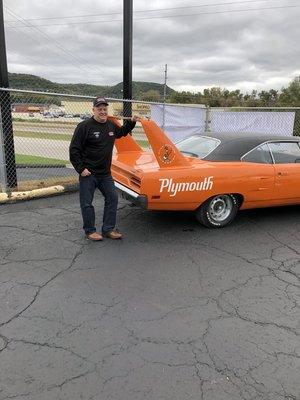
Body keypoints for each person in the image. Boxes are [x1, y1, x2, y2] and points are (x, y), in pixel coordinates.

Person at [69, 96, 140, 241]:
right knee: (87, 203)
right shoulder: (84, 126)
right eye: (99, 109)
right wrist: (81, 169)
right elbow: (74, 150)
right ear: (93, 110)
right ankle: (90, 231)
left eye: (104, 109)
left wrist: (132, 122)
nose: (102, 111)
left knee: (112, 198)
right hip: (88, 173)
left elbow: (121, 133)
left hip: (105, 174)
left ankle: (108, 229)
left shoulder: (110, 125)